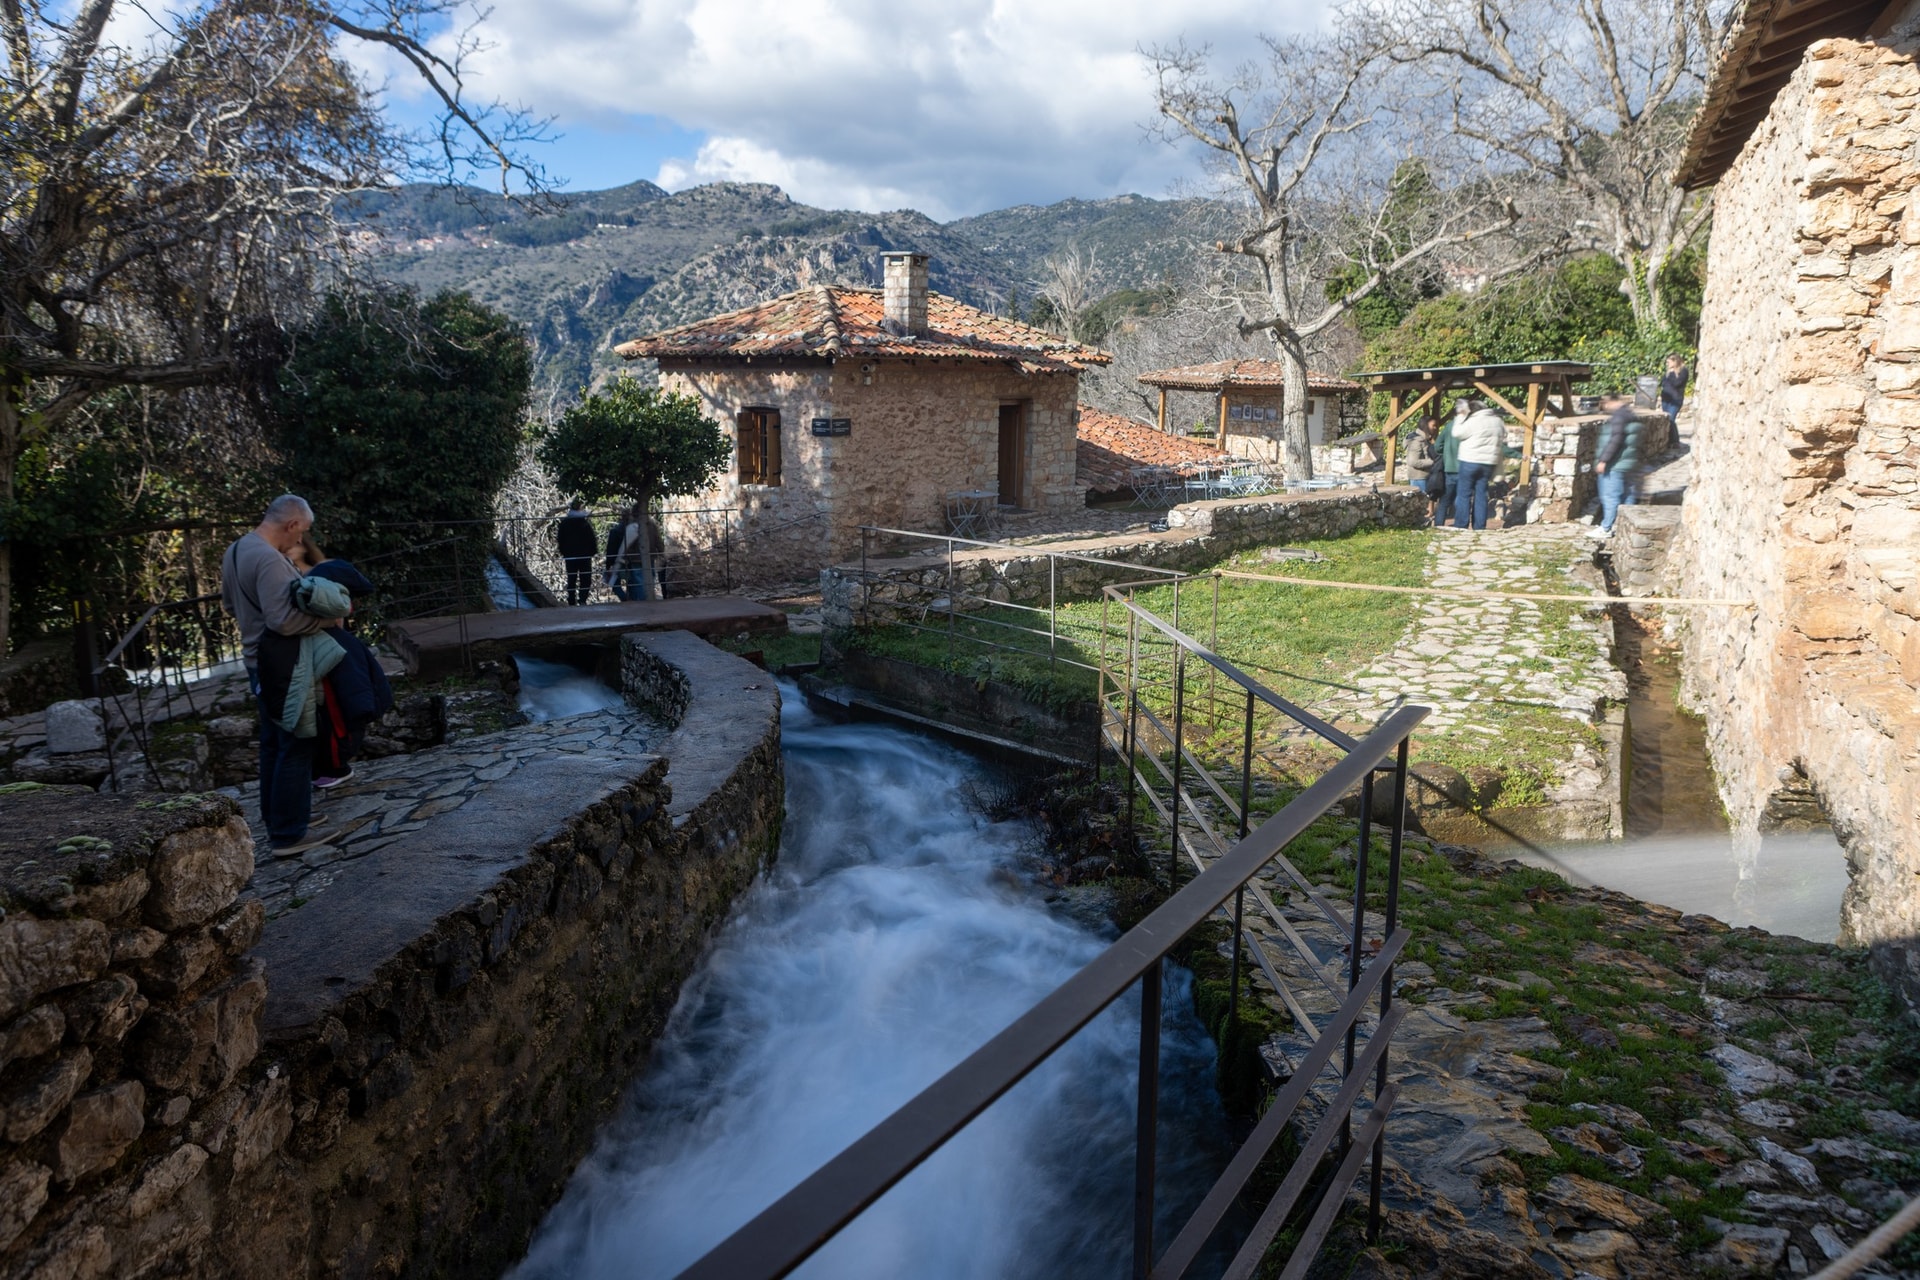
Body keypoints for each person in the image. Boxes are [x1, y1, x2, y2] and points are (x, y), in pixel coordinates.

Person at [220, 494, 340, 854]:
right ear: (291, 525)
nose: (300, 541)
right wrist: (328, 618)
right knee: (297, 743)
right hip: (283, 664)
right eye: (301, 532)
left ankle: (282, 816)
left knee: (274, 743)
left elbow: (229, 604)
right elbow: (283, 620)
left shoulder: (237, 550)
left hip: (257, 661)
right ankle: (289, 833)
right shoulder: (270, 560)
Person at [1452, 400, 1509, 531]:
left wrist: (1460, 416)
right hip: (1488, 462)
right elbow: (1504, 436)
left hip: (1469, 460)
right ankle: (1479, 526)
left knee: (1464, 494)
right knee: (1481, 494)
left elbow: (1457, 433)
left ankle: (1461, 525)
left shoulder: (1473, 421)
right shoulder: (1497, 421)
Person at [1593, 393, 1643, 537]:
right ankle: (1624, 528)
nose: (1605, 408)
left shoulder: (1619, 417)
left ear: (1611, 402)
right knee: (1627, 496)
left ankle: (1606, 527)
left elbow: (1616, 439)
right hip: (1629, 463)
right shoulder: (1630, 415)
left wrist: (1604, 460)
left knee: (1610, 496)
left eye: (1605, 404)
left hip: (1615, 465)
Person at [555, 499, 598, 606]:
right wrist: (592, 551)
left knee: (571, 578)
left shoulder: (564, 524)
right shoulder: (584, 524)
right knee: (585, 579)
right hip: (584, 556)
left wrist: (564, 552)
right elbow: (591, 539)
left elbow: (560, 539)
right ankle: (582, 599)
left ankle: (571, 600)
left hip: (570, 556)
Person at [1434, 404, 1463, 526]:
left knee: (1444, 500)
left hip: (1449, 467)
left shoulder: (1448, 426)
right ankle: (1459, 525)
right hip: (1464, 468)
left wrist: (1445, 453)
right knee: (1461, 499)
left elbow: (1437, 446)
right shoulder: (1469, 427)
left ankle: (1439, 524)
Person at [1659, 353, 1690, 421]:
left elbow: (1677, 383)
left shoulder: (1683, 371)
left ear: (1675, 361)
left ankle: (1674, 432)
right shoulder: (1669, 371)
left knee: (1671, 420)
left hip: (1675, 400)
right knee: (1666, 421)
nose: (1667, 364)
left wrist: (1672, 373)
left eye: (1668, 362)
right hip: (1666, 399)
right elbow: (1663, 383)